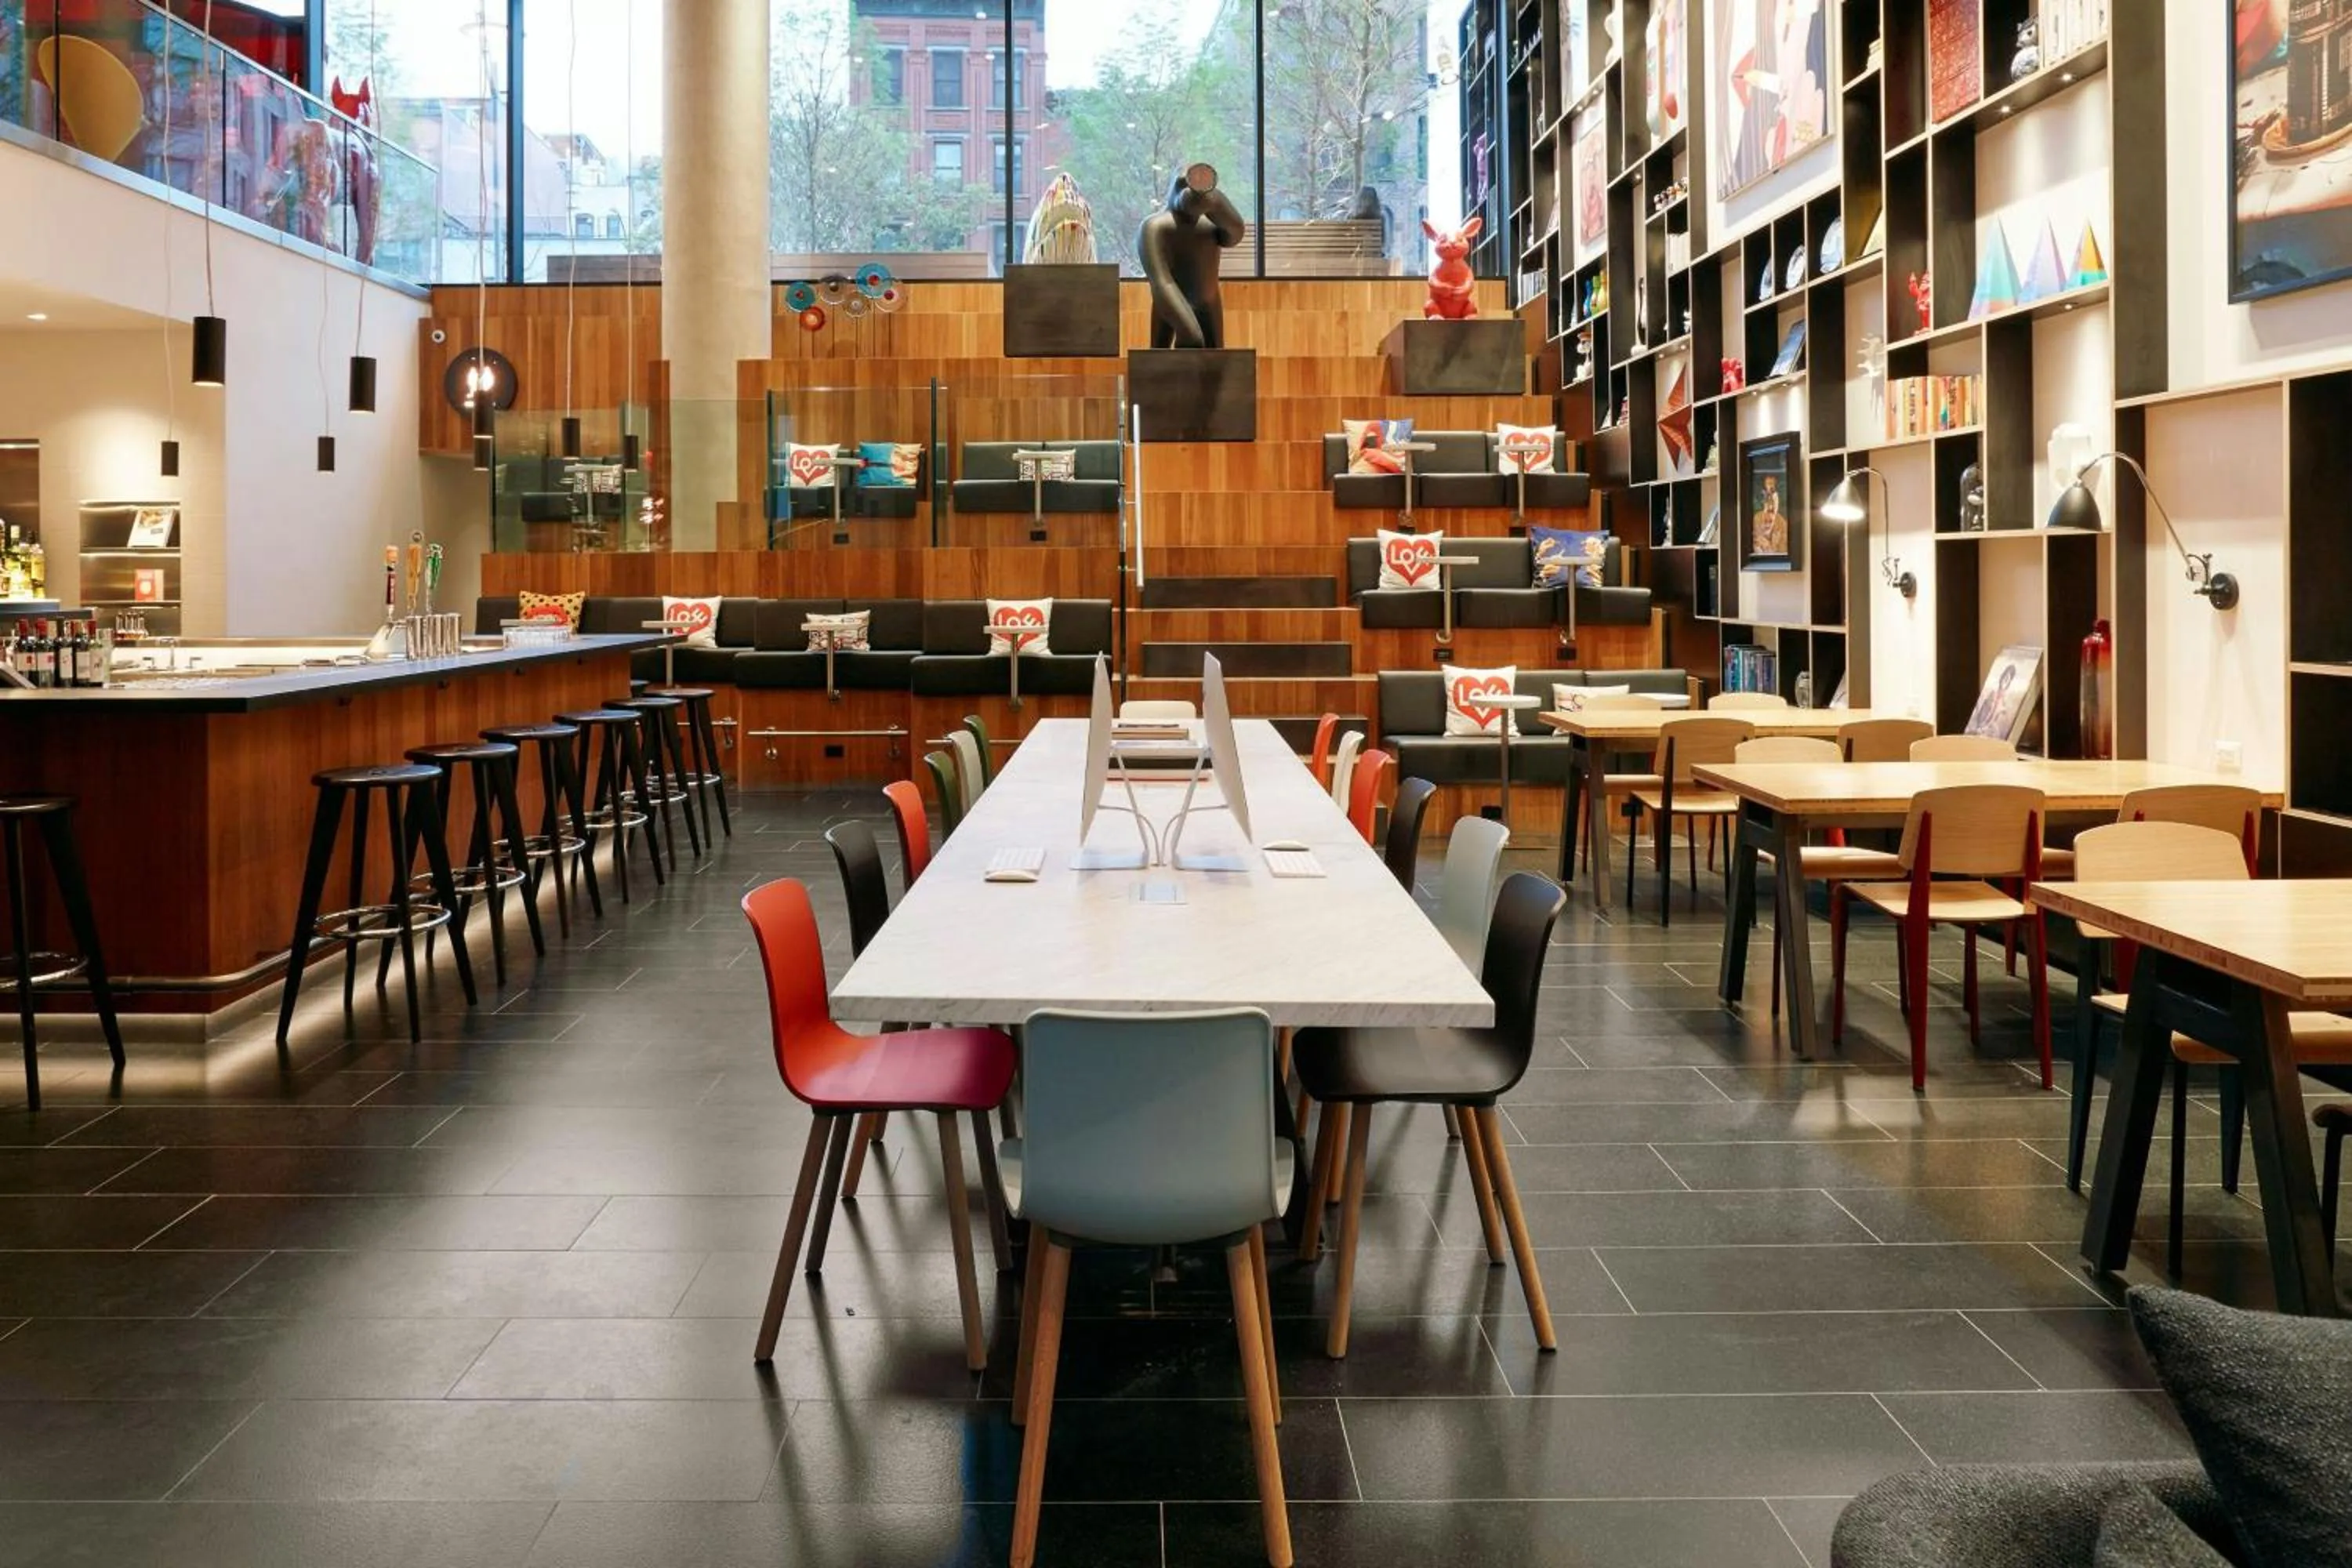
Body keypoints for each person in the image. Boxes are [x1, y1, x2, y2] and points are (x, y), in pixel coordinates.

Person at [1752, 474, 1788, 556]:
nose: (1770, 504)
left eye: (1773, 493)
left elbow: (1783, 553)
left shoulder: (1783, 523)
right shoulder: (1755, 520)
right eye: (1767, 495)